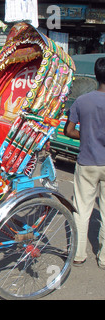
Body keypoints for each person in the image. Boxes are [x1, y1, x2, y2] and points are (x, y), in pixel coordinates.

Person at [64, 57, 105, 269]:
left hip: (87, 162)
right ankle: (104, 258)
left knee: (81, 209)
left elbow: (69, 130)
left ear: (96, 77)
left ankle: (79, 254)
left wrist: (87, 134)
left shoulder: (82, 100)